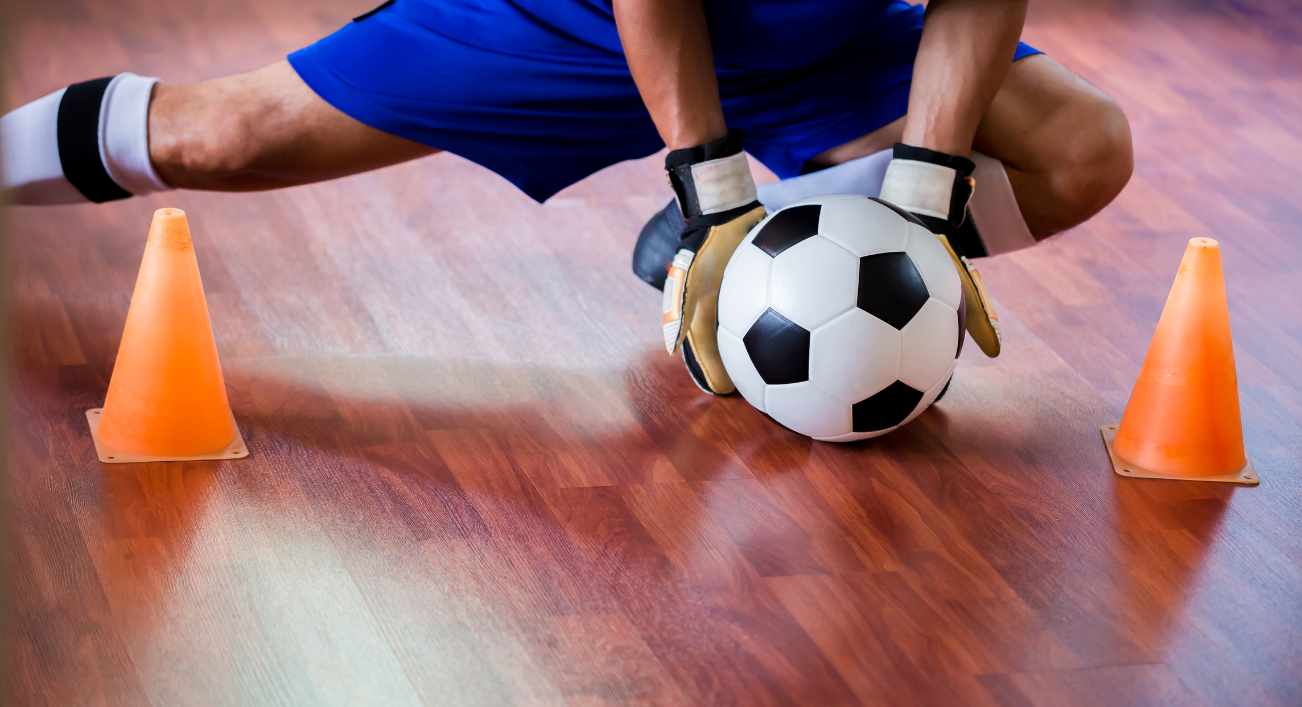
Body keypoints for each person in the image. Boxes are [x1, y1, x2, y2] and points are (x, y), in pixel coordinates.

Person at [1, 0, 1132, 395]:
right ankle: (724, 228)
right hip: (567, 20)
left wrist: (930, 188)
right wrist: (716, 185)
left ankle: (731, 252)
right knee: (220, 138)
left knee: (1082, 150)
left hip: (820, 36)